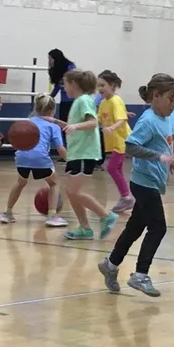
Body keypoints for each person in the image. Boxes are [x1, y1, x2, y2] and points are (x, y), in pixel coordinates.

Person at [98, 74, 174, 298]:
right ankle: (140, 275)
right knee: (159, 227)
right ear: (156, 96)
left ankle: (110, 264)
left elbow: (162, 148)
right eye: (170, 100)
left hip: (153, 183)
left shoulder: (166, 118)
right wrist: (160, 157)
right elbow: (130, 146)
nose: (173, 105)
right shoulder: (148, 120)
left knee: (135, 227)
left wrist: (168, 161)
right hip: (143, 183)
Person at [58, 70, 118, 241]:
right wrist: (56, 122)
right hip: (76, 153)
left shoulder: (84, 100)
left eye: (66, 84)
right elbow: (74, 125)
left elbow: (93, 122)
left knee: (74, 191)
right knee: (71, 192)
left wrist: (75, 127)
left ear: (74, 84)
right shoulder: (78, 101)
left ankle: (105, 215)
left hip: (85, 153)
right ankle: (85, 228)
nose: (64, 87)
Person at [0, 93, 66, 226]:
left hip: (21, 156)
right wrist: (70, 161)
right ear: (53, 110)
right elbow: (60, 149)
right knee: (54, 183)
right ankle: (52, 215)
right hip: (39, 158)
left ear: (36, 108)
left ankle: (7, 213)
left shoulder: (27, 122)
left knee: (20, 183)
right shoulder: (53, 127)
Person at [97, 70, 134, 214]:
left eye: (102, 85)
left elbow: (121, 119)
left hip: (121, 140)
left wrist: (112, 127)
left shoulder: (116, 100)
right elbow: (99, 119)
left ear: (112, 85)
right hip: (112, 141)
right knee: (116, 168)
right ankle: (125, 197)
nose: (100, 88)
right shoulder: (103, 102)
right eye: (98, 85)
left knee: (112, 168)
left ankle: (126, 197)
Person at [47, 49, 75, 126]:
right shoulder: (57, 70)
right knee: (63, 123)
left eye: (50, 59)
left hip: (73, 100)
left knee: (71, 123)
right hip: (64, 101)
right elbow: (57, 86)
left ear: (56, 59)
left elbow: (75, 83)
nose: (49, 62)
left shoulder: (70, 68)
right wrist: (50, 97)